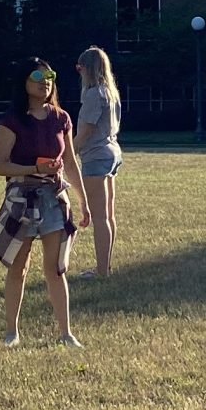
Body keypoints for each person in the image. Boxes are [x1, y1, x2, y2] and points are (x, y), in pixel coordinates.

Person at [0, 60, 86, 348]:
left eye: (49, 76)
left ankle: (66, 333)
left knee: (56, 268)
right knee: (18, 267)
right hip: (22, 199)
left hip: (53, 198)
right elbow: (0, 166)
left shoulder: (61, 118)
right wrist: (33, 168)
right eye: (37, 76)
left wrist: (83, 201)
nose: (45, 81)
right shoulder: (12, 120)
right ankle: (12, 333)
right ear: (24, 82)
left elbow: (69, 161)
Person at [75, 47, 124, 274]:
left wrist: (66, 153)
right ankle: (106, 265)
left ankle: (102, 270)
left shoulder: (95, 94)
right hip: (111, 152)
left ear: (87, 68)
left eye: (80, 68)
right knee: (108, 215)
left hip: (95, 155)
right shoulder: (110, 92)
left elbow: (85, 131)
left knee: (100, 217)